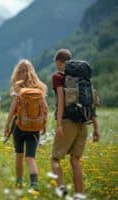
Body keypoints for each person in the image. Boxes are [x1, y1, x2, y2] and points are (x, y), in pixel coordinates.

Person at [51, 49, 100, 199]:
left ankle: (62, 193)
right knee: (75, 160)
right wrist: (96, 128)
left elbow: (61, 100)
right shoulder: (83, 77)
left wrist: (59, 124)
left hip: (67, 122)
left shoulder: (58, 77)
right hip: (84, 122)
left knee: (55, 158)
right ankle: (79, 196)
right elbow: (91, 102)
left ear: (59, 62)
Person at [4, 60, 48, 191]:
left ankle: (19, 183)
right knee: (30, 158)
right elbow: (45, 108)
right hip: (35, 127)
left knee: (19, 155)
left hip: (19, 126)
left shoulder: (17, 88)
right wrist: (43, 123)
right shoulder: (39, 87)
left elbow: (12, 108)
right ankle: (34, 184)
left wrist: (7, 125)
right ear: (31, 72)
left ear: (17, 72)